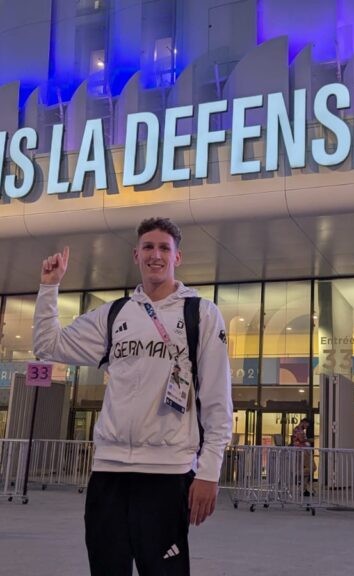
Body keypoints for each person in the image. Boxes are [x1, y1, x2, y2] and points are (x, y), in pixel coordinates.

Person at [34, 217, 232, 575]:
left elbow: (218, 400)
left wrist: (209, 472)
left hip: (167, 474)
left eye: (164, 248)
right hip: (108, 472)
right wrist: (49, 288)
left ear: (178, 257)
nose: (155, 255)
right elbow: (48, 346)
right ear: (136, 255)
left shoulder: (200, 314)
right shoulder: (113, 315)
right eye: (148, 248)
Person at [290, 418, 314, 497]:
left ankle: (303, 489)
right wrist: (310, 440)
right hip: (303, 451)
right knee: (312, 467)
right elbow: (301, 439)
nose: (307, 427)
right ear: (304, 422)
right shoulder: (298, 429)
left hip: (304, 451)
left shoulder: (298, 430)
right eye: (307, 425)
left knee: (309, 469)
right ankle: (298, 474)